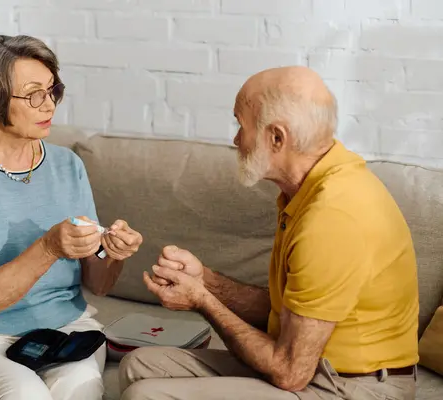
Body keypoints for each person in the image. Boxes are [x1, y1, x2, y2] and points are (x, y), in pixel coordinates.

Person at [119, 66, 419, 400]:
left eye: (240, 125)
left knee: (146, 395)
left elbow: (289, 372)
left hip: (352, 387)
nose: (235, 140)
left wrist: (202, 301)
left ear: (277, 137)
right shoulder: (308, 187)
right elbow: (287, 311)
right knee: (138, 365)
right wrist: (206, 281)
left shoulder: (333, 216)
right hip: (313, 367)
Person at [0, 35, 143, 400]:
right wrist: (48, 247)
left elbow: (99, 283)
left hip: (68, 328)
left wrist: (112, 253)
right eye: (33, 94)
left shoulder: (67, 165)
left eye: (52, 90)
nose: (49, 105)